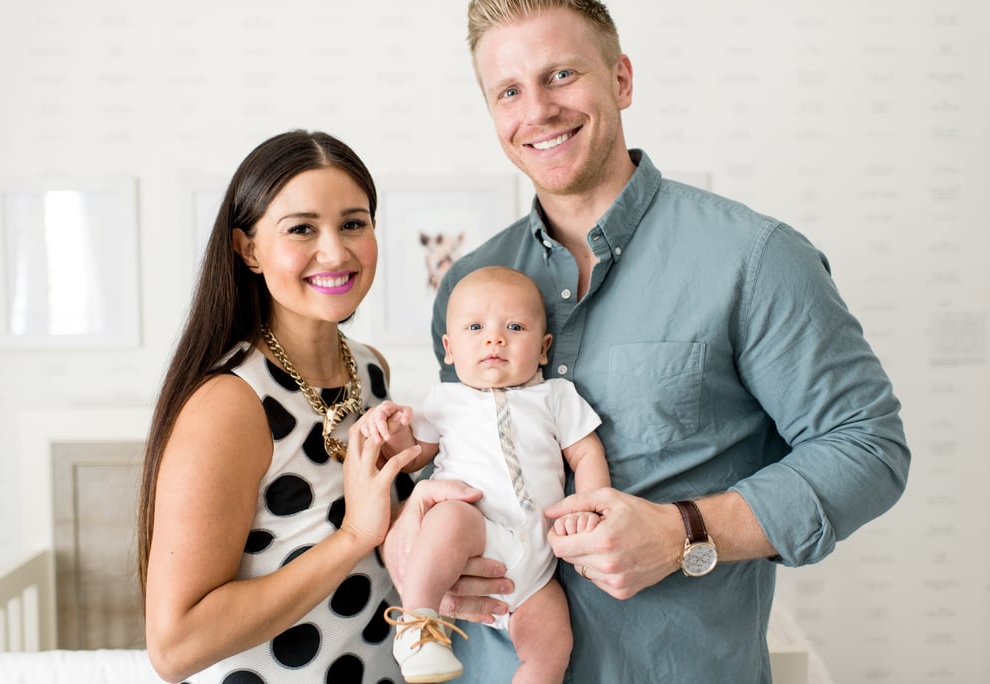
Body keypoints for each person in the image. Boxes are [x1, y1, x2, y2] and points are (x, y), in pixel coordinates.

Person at [383, 1, 912, 682]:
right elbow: (462, 457)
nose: (537, 110)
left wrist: (683, 531)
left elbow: (868, 447)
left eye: (562, 75)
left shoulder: (755, 257)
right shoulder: (469, 286)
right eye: (509, 91)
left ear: (622, 80)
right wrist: (411, 532)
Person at [136, 129, 428, 684]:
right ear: (249, 250)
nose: (336, 251)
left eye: (353, 223)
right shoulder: (230, 404)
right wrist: (352, 538)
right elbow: (175, 648)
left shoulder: (370, 369)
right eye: (301, 229)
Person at [360, 266, 610, 683]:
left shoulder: (555, 396)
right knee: (450, 515)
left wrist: (590, 507)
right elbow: (414, 456)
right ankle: (419, 627)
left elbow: (586, 453)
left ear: (544, 347)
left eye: (514, 326)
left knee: (553, 645)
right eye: (475, 327)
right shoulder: (444, 401)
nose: (494, 338)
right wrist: (394, 427)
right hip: (474, 529)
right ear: (449, 348)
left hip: (537, 561)